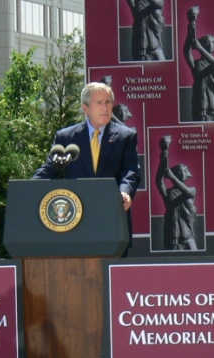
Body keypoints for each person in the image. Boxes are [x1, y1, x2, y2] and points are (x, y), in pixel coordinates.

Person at [33, 82, 141, 244]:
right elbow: (51, 168)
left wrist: (125, 192)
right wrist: (29, 188)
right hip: (75, 222)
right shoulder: (66, 138)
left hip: (112, 221)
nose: (105, 107)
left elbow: (131, 171)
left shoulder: (125, 137)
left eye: (108, 102)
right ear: (85, 108)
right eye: (99, 103)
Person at [183, 7, 214, 122]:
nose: (210, 43)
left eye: (211, 41)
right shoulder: (196, 65)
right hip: (201, 110)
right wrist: (192, 24)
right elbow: (186, 51)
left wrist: (199, 47)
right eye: (207, 41)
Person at [156, 136, 198, 250]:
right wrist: (164, 152)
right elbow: (159, 180)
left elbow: (186, 191)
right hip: (172, 239)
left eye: (183, 171)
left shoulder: (191, 190)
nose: (182, 173)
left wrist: (171, 176)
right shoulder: (169, 194)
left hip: (188, 238)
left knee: (196, 264)